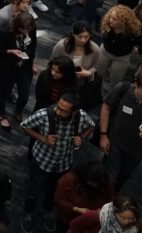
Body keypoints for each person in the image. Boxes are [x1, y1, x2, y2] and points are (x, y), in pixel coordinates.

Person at [20, 93, 97, 232]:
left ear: (73, 112)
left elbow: (91, 126)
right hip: (42, 160)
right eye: (58, 107)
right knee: (34, 189)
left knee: (54, 190)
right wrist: (42, 138)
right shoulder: (44, 115)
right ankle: (28, 213)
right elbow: (24, 125)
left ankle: (47, 210)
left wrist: (81, 137)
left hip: (64, 163)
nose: (58, 111)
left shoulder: (81, 116)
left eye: (64, 110)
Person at [99, 69, 142, 191]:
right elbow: (106, 107)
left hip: (137, 149)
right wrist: (103, 135)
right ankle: (102, 200)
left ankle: (111, 197)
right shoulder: (122, 89)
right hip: (115, 142)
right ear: (136, 85)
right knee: (110, 176)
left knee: (124, 176)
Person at [0, 12, 36, 128]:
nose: (27, 32)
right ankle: (2, 115)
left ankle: (18, 112)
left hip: (24, 66)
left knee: (25, 95)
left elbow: (33, 46)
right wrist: (11, 51)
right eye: (24, 29)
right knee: (4, 92)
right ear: (18, 27)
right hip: (8, 67)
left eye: (29, 29)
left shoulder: (31, 28)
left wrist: (32, 63)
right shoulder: (6, 32)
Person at [54, 161, 115, 232]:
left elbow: (111, 199)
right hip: (68, 217)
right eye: (92, 182)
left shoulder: (105, 182)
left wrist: (100, 211)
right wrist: (77, 209)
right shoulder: (69, 179)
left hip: (91, 221)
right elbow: (59, 199)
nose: (94, 185)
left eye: (96, 183)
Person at [68, 197, 142, 233]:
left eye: (131, 219)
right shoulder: (94, 217)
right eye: (123, 217)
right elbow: (73, 228)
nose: (126, 222)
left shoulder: (136, 223)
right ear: (114, 212)